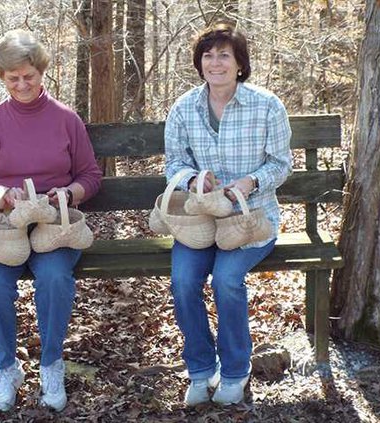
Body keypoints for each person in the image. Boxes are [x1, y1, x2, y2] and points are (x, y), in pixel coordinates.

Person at [0, 29, 102, 412]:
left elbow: (90, 175)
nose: (22, 85)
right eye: (13, 78)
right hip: (3, 229)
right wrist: (0, 198)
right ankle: (7, 368)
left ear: (42, 72)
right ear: (2, 78)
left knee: (55, 278)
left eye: (29, 76)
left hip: (54, 225)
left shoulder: (66, 119)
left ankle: (52, 363)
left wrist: (67, 194)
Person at [164, 23, 292, 406]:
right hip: (200, 220)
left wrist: (252, 182)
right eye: (208, 55)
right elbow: (174, 161)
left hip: (251, 219)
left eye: (224, 55)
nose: (215, 62)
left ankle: (235, 371)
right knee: (184, 280)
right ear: (199, 62)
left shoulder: (267, 105)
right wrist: (192, 180)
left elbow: (281, 164)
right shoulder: (184, 107)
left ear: (239, 64)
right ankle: (201, 371)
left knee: (226, 280)